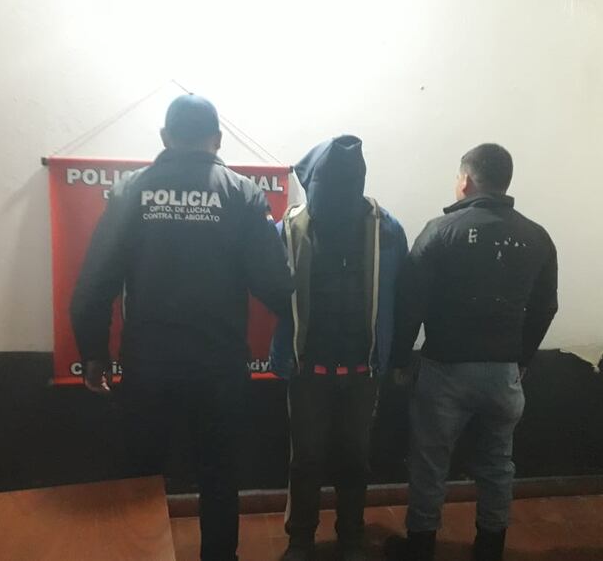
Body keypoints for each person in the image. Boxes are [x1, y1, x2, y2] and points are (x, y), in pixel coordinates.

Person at [70, 94, 293, 561]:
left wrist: (93, 353)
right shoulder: (242, 193)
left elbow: (95, 282)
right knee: (219, 475)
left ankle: (141, 554)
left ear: (165, 137)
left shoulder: (131, 191)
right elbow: (274, 283)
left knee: (142, 477)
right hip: (218, 366)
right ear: (218, 140)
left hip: (149, 365)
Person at [386, 144, 558, 561]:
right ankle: (490, 547)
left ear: (465, 181)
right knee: (498, 463)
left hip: (445, 368)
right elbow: (546, 307)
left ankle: (421, 547)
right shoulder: (537, 237)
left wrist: (399, 360)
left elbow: (410, 303)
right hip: (503, 373)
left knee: (430, 463)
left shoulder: (440, 232)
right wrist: (521, 358)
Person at [270, 135, 408, 561]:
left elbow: (402, 294)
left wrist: (394, 357)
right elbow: (271, 288)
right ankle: (301, 539)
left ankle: (351, 536)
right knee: (306, 460)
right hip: (308, 369)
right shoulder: (289, 229)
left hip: (363, 370)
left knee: (355, 460)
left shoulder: (386, 229)